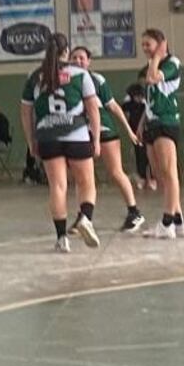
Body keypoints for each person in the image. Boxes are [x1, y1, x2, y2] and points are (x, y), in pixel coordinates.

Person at [20, 33, 101, 253]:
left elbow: (26, 113)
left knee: (58, 186)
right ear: (67, 51)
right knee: (86, 183)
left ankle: (61, 238)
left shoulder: (35, 76)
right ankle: (85, 217)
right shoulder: (80, 74)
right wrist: (97, 137)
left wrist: (31, 141)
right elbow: (92, 108)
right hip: (76, 134)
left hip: (47, 136)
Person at [69, 47, 144, 233]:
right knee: (82, 178)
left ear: (89, 61)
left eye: (82, 58)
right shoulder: (67, 80)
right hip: (81, 133)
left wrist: (129, 131)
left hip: (105, 131)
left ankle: (134, 212)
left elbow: (114, 106)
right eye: (74, 58)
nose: (78, 61)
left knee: (115, 171)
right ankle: (83, 217)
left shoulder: (97, 80)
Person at [138, 29, 184, 239]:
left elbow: (152, 79)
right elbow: (149, 98)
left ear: (161, 44)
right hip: (152, 122)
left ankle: (167, 222)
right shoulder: (152, 64)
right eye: (143, 45)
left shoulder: (171, 63)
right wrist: (141, 123)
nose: (145, 49)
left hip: (166, 121)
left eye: (148, 44)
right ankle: (179, 221)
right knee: (160, 174)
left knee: (169, 172)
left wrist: (158, 55)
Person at [122, 84, 155, 191]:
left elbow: (146, 117)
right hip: (135, 132)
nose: (139, 98)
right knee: (139, 155)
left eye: (141, 96)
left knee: (149, 156)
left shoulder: (145, 105)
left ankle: (152, 178)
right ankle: (142, 178)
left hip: (146, 131)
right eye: (137, 96)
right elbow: (126, 115)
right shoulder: (128, 104)